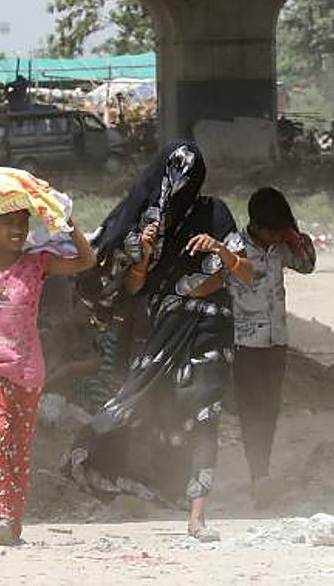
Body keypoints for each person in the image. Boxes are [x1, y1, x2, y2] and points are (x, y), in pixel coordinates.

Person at [67, 142, 240, 542]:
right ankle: (131, 475)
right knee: (150, 405)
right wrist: (144, 256)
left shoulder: (214, 212)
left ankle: (198, 515)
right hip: (162, 331)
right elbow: (133, 285)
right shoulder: (143, 225)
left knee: (204, 412)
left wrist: (219, 254)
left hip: (212, 329)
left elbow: (244, 271)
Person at [0, 207, 95, 546]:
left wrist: (69, 225)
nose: (17, 229)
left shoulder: (38, 264)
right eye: (9, 224)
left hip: (27, 371)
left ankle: (10, 522)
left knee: (18, 452)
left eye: (22, 223)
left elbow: (86, 260)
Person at [227, 187, 316, 507]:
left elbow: (307, 266)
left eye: (282, 229)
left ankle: (261, 472)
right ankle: (258, 476)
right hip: (245, 344)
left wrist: (296, 238)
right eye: (273, 230)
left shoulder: (281, 248)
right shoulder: (234, 248)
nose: (276, 236)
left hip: (277, 341)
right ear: (257, 225)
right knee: (253, 411)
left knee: (270, 409)